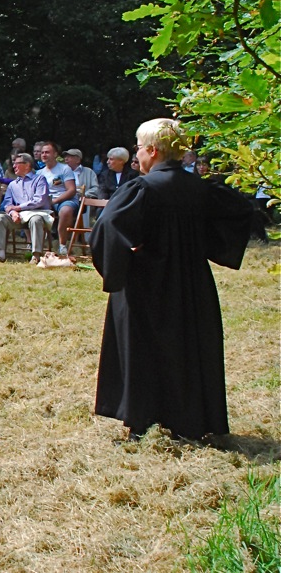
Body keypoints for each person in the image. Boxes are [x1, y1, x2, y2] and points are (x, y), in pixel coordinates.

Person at [91, 118, 253, 440]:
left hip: (147, 282)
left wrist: (128, 257)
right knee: (188, 348)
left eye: (138, 147)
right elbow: (239, 213)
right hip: (193, 283)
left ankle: (142, 420)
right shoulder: (199, 187)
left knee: (145, 349)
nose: (137, 154)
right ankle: (188, 422)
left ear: (152, 150)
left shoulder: (144, 188)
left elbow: (108, 227)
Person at [0, 153, 52, 263]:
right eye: (13, 163)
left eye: (16, 163)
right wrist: (13, 212)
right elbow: (7, 204)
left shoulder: (39, 180)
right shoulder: (13, 184)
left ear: (27, 165)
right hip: (18, 217)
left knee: (36, 219)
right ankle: (0, 253)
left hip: (37, 213)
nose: (13, 166)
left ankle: (36, 255)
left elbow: (39, 200)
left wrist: (18, 207)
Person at [37, 142, 78, 255]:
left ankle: (62, 246)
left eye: (47, 152)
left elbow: (71, 190)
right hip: (47, 201)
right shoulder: (39, 173)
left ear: (55, 154)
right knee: (30, 212)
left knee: (66, 210)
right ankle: (35, 245)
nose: (44, 154)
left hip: (65, 200)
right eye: (42, 152)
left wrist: (54, 201)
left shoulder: (65, 169)